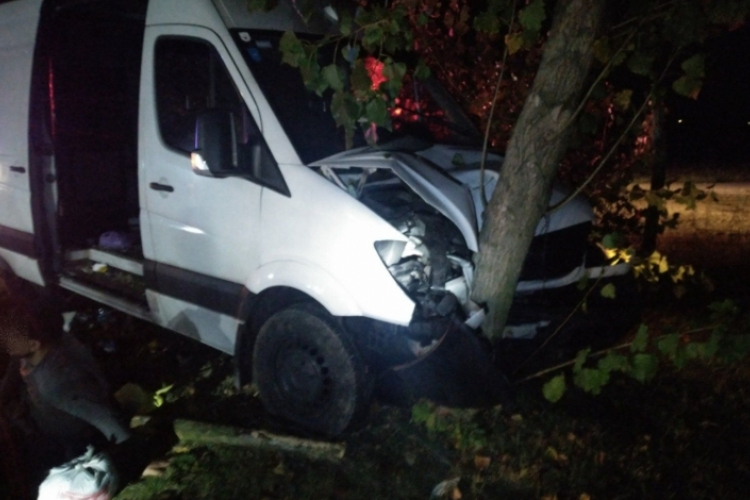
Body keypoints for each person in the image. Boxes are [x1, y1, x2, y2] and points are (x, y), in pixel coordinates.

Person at [0, 296, 132, 494]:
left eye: (9, 340)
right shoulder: (40, 345)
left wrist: (135, 456)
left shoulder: (60, 384)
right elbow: (15, 362)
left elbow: (106, 419)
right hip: (43, 419)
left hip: (74, 439)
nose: (4, 342)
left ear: (34, 344)